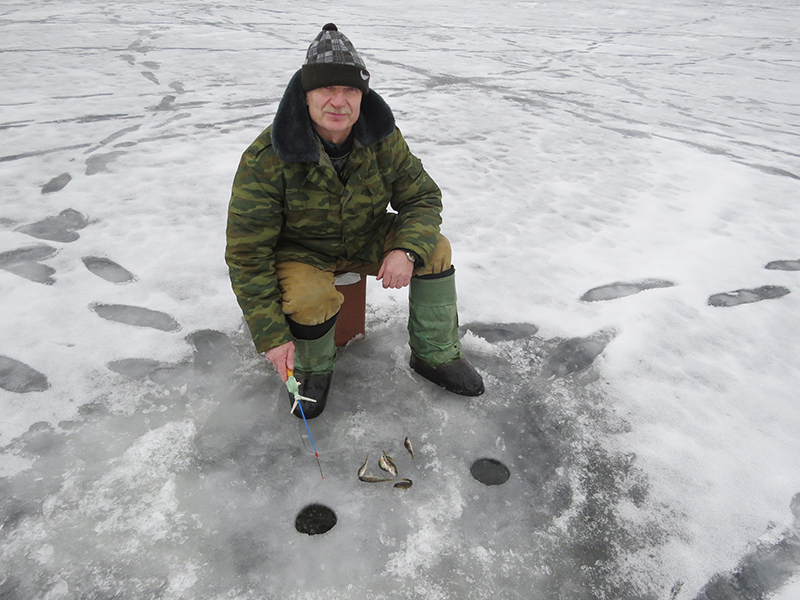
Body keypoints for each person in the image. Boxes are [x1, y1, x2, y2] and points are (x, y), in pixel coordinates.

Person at [226, 23, 484, 419]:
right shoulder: (267, 157)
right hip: (302, 253)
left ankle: (435, 356)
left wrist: (406, 249)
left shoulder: (383, 138)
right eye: (326, 89)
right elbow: (247, 254)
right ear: (305, 94)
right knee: (312, 297)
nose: (338, 101)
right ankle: (312, 372)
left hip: (365, 237)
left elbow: (422, 196)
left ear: (362, 96)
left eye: (349, 90)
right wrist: (272, 338)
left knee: (436, 249)